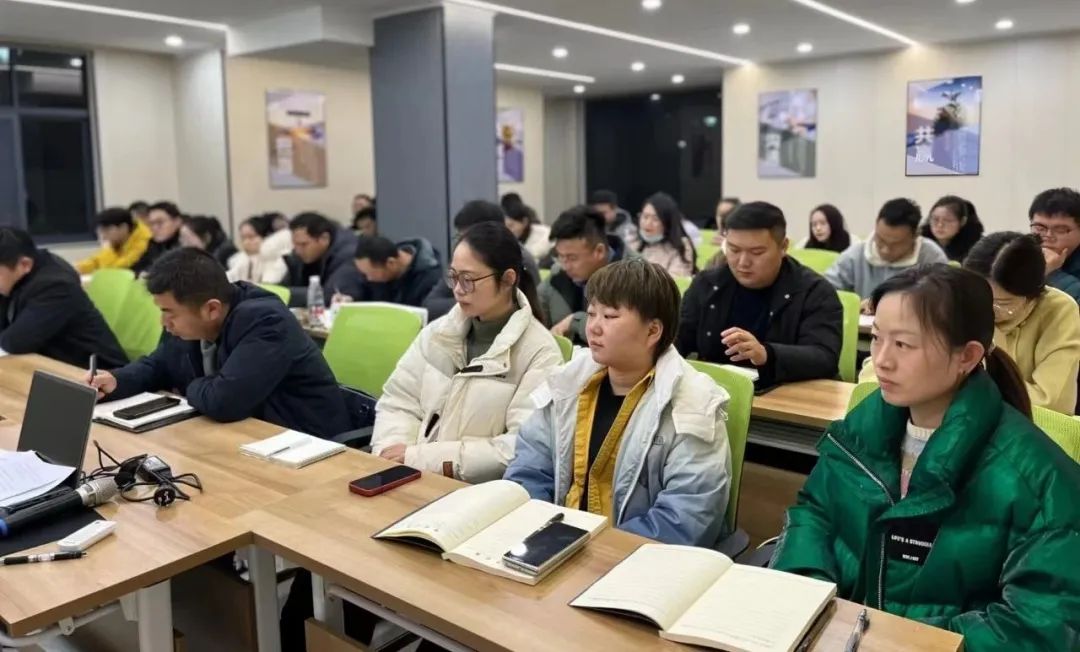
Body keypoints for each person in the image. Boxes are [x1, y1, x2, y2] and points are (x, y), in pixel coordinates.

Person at [771, 264, 1080, 651]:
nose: (881, 360)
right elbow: (814, 513)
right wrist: (809, 600)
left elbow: (1043, 623)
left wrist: (900, 643)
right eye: (877, 338)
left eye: (903, 345)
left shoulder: (1036, 477)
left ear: (967, 356)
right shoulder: (863, 427)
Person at [506, 259, 732, 546]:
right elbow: (528, 471)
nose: (593, 328)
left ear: (653, 331)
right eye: (591, 314)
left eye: (610, 316)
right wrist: (539, 530)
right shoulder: (567, 384)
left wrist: (597, 548)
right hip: (555, 543)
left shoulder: (693, 403)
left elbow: (685, 518)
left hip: (637, 557)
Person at [89, 249, 350, 439]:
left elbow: (224, 402)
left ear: (211, 309)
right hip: (248, 437)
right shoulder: (190, 321)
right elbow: (160, 364)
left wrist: (191, 386)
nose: (163, 322)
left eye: (169, 312)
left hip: (307, 446)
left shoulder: (266, 321)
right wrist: (116, 380)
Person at [371, 222, 562, 482]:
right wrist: (392, 453)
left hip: (477, 491)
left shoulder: (540, 352)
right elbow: (398, 401)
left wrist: (417, 458)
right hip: (412, 477)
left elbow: (518, 446)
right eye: (453, 277)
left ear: (508, 279)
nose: (458, 289)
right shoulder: (438, 333)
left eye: (469, 280)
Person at [678, 202, 842, 386]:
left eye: (756, 252)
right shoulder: (707, 284)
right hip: (717, 391)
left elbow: (824, 357)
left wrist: (766, 354)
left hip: (786, 393)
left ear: (783, 247)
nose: (743, 262)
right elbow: (678, 338)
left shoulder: (815, 292)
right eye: (734, 250)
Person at [964, 232, 1080, 414]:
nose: (989, 309)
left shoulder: (1057, 310)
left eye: (1003, 303)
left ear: (1033, 294)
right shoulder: (958, 300)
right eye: (981, 298)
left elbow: (1052, 402)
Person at [0, 228, 127, 368]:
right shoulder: (19, 274)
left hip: (98, 374)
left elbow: (16, 342)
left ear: (25, 264)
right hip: (53, 367)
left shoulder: (55, 286)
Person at [422, 200, 540, 319]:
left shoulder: (517, 259)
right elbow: (430, 304)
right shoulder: (463, 257)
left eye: (469, 237)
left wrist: (475, 300)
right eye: (459, 237)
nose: (458, 290)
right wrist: (469, 300)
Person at [540, 205, 638, 345]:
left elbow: (625, 336)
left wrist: (576, 322)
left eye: (572, 258)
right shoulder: (558, 275)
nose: (565, 265)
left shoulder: (636, 277)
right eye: (560, 256)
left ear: (599, 251)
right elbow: (534, 312)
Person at [825, 198, 948, 306]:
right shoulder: (855, 255)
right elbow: (825, 291)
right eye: (880, 240)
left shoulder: (932, 258)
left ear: (915, 236)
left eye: (895, 244)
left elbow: (944, 301)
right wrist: (854, 305)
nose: (885, 250)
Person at [333, 235, 442, 307]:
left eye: (370, 274)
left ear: (391, 263)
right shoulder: (380, 265)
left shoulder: (430, 279)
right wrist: (351, 300)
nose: (368, 279)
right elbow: (365, 293)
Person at [283, 212, 360, 307]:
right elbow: (284, 287)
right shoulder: (301, 255)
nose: (298, 251)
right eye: (295, 244)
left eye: (303, 244)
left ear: (324, 238)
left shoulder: (349, 255)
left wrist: (282, 294)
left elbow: (333, 295)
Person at [1028, 187, 1080, 302]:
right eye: (1040, 228)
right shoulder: (1015, 255)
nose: (1048, 236)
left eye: (1060, 230)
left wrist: (1051, 273)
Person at [76, 207, 152, 274]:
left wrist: (107, 250)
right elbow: (96, 261)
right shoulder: (117, 242)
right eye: (100, 232)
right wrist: (76, 270)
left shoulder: (144, 243)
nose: (103, 236)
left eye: (106, 230)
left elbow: (113, 272)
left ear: (123, 227)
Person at [637, 192, 696, 278]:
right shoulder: (632, 241)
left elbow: (675, 281)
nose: (648, 223)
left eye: (655, 219)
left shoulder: (682, 247)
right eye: (645, 217)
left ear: (668, 222)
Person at [227, 214, 292, 284]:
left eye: (251, 237)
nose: (246, 242)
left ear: (266, 237)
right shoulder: (240, 259)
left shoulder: (276, 261)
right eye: (243, 238)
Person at [920, 195, 983, 263]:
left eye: (947, 220)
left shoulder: (977, 248)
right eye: (935, 219)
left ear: (962, 221)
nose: (940, 225)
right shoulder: (920, 242)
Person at [132, 201, 183, 275]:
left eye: (160, 222)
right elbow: (137, 268)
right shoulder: (151, 244)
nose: (154, 228)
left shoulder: (185, 245)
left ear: (177, 221)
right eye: (151, 224)